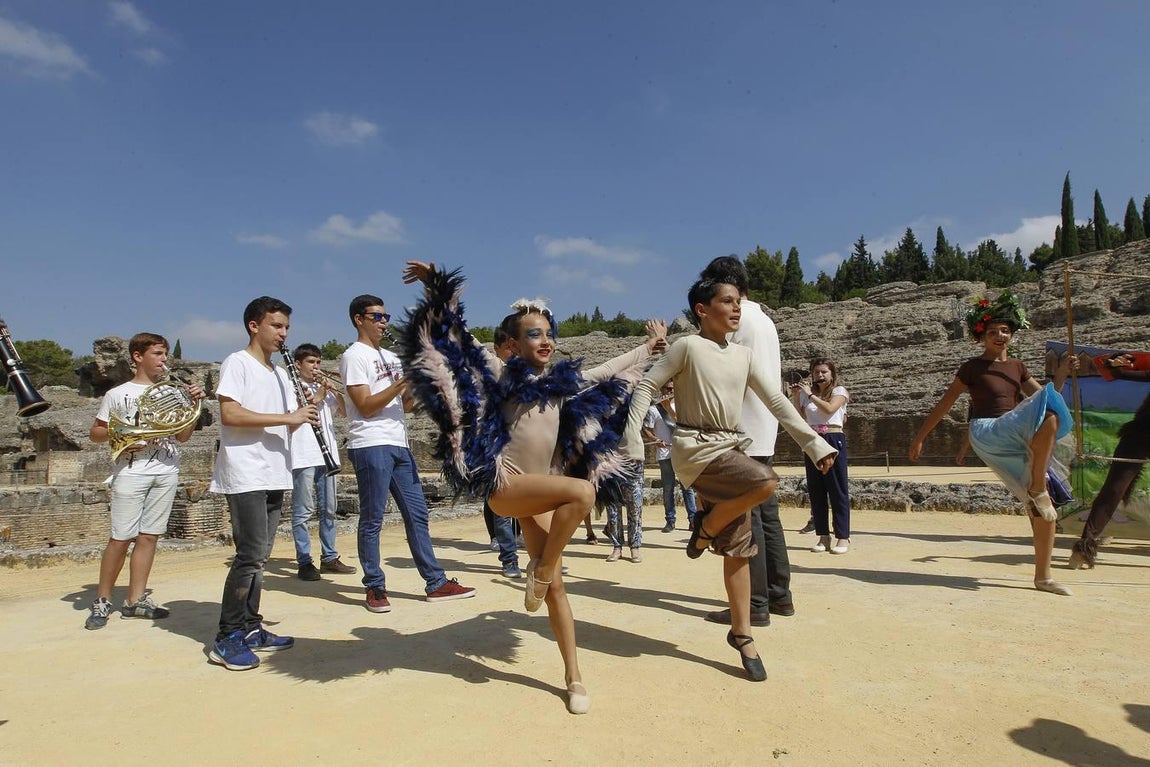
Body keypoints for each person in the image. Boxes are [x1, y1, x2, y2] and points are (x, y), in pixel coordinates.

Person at [400, 260, 667, 714]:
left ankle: (573, 675)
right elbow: (458, 340)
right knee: (581, 493)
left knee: (559, 589)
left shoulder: (562, 386)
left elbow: (605, 371)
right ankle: (539, 570)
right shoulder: (500, 374)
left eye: (548, 333)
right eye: (533, 334)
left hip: (541, 496)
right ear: (512, 344)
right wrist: (439, 289)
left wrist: (649, 348)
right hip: (507, 487)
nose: (544, 341)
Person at [621, 274, 836, 682]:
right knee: (765, 482)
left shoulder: (743, 356)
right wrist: (634, 439)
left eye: (738, 301)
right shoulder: (687, 346)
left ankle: (742, 633)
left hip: (730, 447)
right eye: (727, 301)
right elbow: (647, 384)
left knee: (739, 547)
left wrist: (815, 444)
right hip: (695, 449)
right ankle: (706, 528)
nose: (737, 308)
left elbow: (776, 402)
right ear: (703, 310)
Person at [910, 291, 1076, 596]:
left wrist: (1062, 373)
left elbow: (1044, 397)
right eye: (993, 332)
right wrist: (920, 437)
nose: (1000, 336)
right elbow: (945, 404)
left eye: (1005, 331)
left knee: (1043, 507)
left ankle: (1043, 576)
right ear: (981, 337)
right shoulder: (972, 368)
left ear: (1011, 335)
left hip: (1015, 433)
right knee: (1050, 418)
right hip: (988, 431)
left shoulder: (1017, 367)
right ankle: (1038, 487)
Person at [341, 294, 476, 614]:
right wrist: (401, 380)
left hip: (398, 443)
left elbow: (407, 405)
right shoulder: (353, 356)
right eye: (377, 316)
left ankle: (435, 582)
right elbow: (365, 405)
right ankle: (375, 585)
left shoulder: (391, 356)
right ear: (359, 319)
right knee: (373, 518)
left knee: (418, 515)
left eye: (385, 316)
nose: (384, 322)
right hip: (370, 443)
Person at [209, 297, 310, 670]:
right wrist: (288, 417)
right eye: (276, 326)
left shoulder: (282, 373)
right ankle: (227, 636)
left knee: (260, 557)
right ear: (255, 326)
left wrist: (305, 411)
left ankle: (252, 627)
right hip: (245, 471)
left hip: (273, 470)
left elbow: (286, 418)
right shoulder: (238, 363)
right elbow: (230, 413)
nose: (283, 334)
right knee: (249, 555)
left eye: (286, 328)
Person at [699, 256, 795, 626]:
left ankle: (753, 603)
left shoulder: (736, 321)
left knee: (744, 519)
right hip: (764, 427)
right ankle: (779, 595)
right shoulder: (765, 320)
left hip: (740, 429)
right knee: (767, 516)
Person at [85, 332, 203, 630]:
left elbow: (182, 437)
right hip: (131, 471)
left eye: (165, 354)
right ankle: (102, 599)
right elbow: (96, 432)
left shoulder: (173, 392)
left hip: (166, 470)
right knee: (120, 538)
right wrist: (124, 438)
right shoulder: (118, 394)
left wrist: (191, 407)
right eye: (158, 354)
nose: (164, 360)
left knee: (149, 536)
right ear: (138, 356)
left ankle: (135, 599)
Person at [1069, 353, 1150, 569]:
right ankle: (1084, 547)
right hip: (1141, 434)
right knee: (1114, 489)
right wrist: (1114, 362)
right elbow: (1117, 371)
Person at [289, 343, 356, 581]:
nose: (316, 367)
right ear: (298, 364)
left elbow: (345, 412)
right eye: (311, 362)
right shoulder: (291, 387)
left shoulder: (322, 387)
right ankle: (304, 561)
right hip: (304, 455)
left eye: (318, 362)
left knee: (329, 509)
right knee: (303, 512)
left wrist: (332, 390)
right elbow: (290, 422)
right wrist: (316, 399)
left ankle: (329, 557)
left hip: (328, 457)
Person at [791, 357, 852, 555]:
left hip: (833, 437)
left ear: (832, 374)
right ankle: (823, 536)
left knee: (837, 488)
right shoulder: (808, 395)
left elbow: (829, 409)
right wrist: (795, 396)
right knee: (816, 490)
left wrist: (809, 395)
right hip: (813, 438)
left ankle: (843, 537)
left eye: (824, 372)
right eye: (816, 372)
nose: (820, 375)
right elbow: (800, 417)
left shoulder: (839, 391)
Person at [482, 326, 523, 578]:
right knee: (501, 504)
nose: (512, 351)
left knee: (533, 502)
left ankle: (543, 558)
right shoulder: (490, 370)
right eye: (507, 347)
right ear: (497, 348)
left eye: (514, 346)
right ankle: (509, 559)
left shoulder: (522, 372)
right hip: (494, 443)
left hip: (522, 444)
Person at [642, 382, 698, 534]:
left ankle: (693, 520)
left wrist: (670, 409)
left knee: (687, 487)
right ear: (661, 389)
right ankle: (670, 520)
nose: (670, 391)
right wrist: (655, 440)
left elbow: (687, 426)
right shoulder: (654, 409)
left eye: (673, 389)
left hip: (682, 452)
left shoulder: (681, 407)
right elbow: (646, 428)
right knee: (668, 488)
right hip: (665, 453)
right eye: (667, 388)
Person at [602, 460, 644, 563]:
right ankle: (617, 547)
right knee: (613, 510)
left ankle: (635, 547)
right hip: (611, 460)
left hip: (634, 460)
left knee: (635, 508)